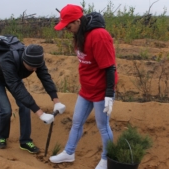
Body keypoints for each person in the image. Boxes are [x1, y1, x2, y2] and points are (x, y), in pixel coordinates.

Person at [49, 4, 118, 169]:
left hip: (101, 90)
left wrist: (109, 93)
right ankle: (69, 152)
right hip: (86, 89)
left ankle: (107, 160)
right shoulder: (80, 34)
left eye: (69, 26)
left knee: (102, 126)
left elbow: (110, 67)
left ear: (78, 21)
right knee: (77, 121)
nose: (67, 29)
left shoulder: (99, 35)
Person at [0, 44, 66, 154]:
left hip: (14, 77)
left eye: (37, 67)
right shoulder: (8, 61)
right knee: (6, 110)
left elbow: (45, 77)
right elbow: (18, 89)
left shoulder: (36, 60)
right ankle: (2, 136)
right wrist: (40, 114)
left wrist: (56, 101)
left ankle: (25, 141)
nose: (34, 69)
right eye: (32, 67)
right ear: (23, 60)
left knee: (25, 107)